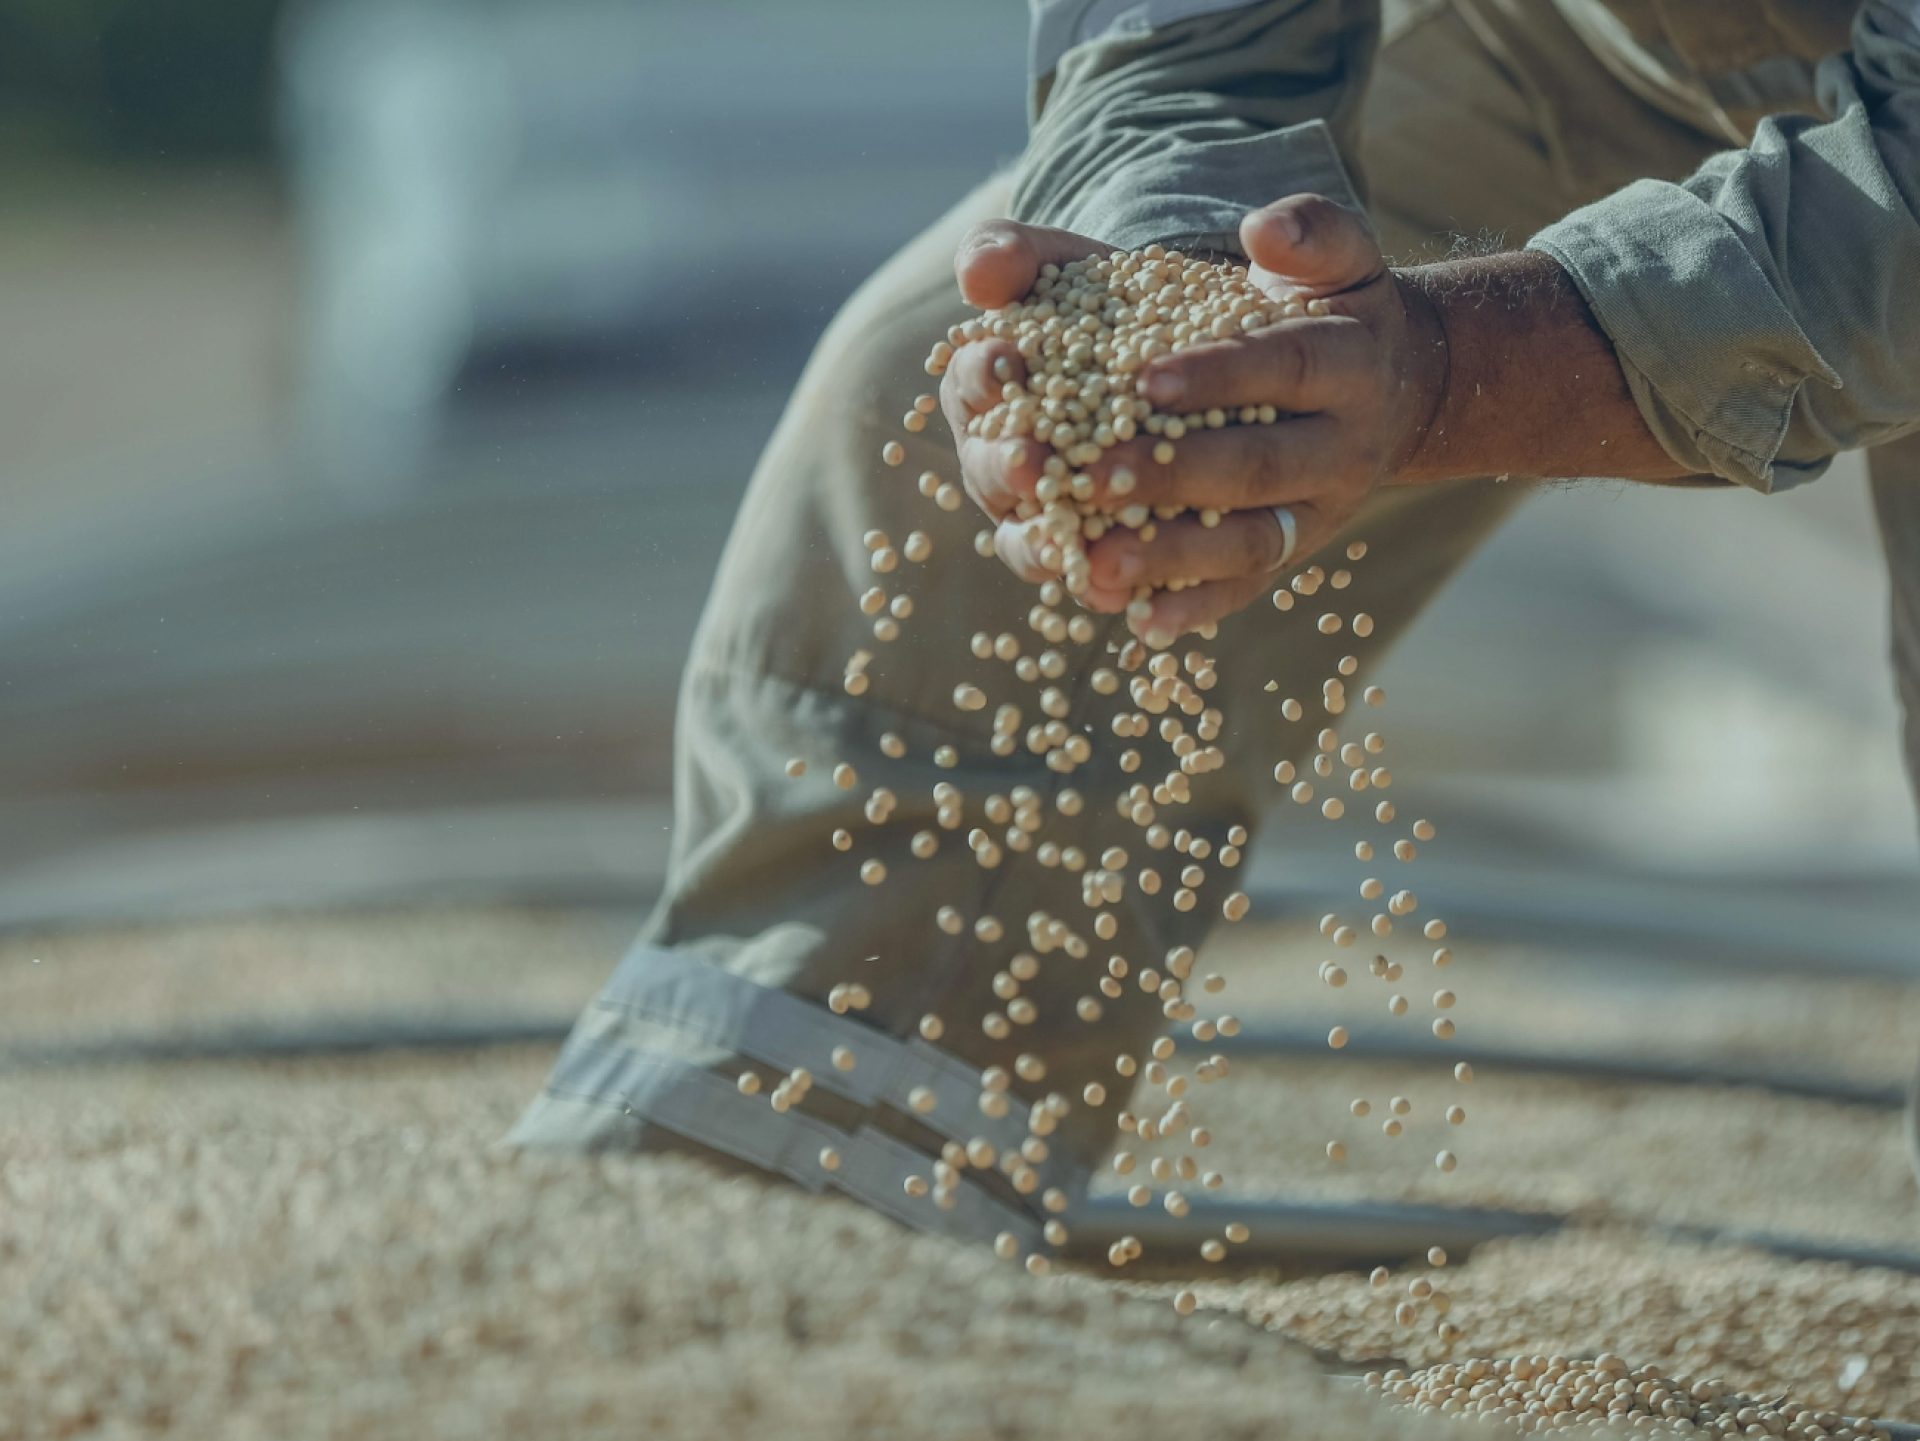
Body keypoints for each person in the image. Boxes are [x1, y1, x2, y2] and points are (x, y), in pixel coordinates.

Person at [510, 0, 1920, 1238]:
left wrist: (1442, 370)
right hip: (1615, 32)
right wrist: (1161, 258)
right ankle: (742, 1235)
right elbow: (1188, 42)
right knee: (929, 457)